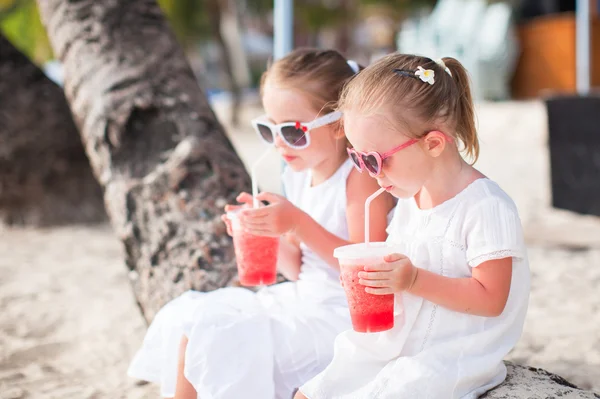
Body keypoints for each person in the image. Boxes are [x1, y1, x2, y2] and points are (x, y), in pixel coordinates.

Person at [128, 48, 395, 399]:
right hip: (301, 298)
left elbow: (366, 269)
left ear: (337, 124)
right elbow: (299, 268)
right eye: (269, 130)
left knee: (222, 334)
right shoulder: (301, 175)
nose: (280, 143)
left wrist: (297, 223)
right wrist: (268, 232)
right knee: (195, 320)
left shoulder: (356, 179)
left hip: (342, 317)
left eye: (293, 131)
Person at [297, 53, 530, 399]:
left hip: (451, 354)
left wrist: (414, 280)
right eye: (357, 158)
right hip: (398, 342)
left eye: (375, 159)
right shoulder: (410, 201)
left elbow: (492, 299)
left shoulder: (486, 207)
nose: (368, 173)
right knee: (315, 390)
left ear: (433, 144)